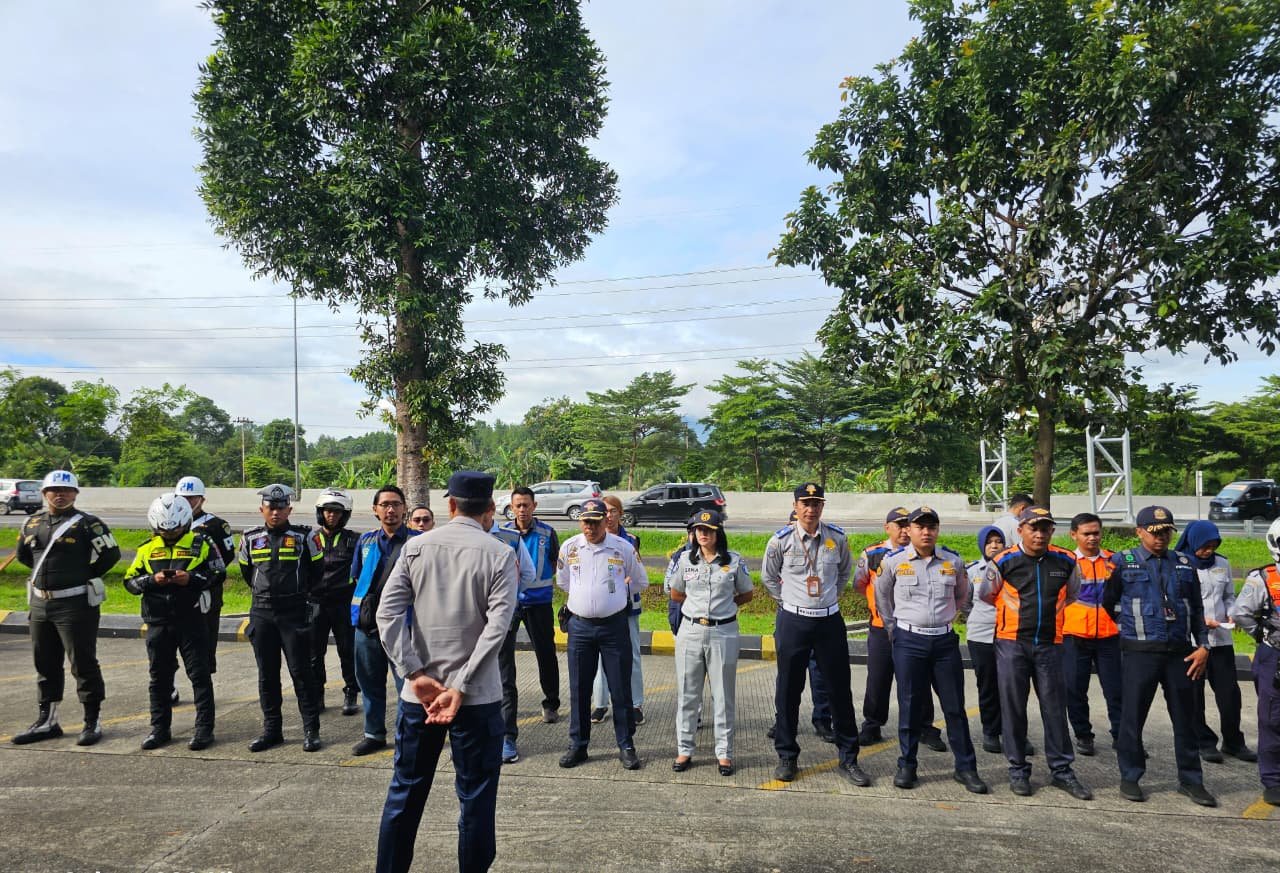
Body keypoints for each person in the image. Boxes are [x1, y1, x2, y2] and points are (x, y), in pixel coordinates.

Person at [373, 471, 517, 873]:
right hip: (476, 698)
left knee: (405, 792)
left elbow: (387, 613)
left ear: (449, 505)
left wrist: (413, 674)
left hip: (419, 697)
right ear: (490, 509)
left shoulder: (417, 547)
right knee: (476, 797)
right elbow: (497, 628)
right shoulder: (499, 553)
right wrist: (462, 685)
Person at [1102, 505, 1215, 807]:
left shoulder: (1184, 563)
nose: (1161, 537)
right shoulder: (1123, 562)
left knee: (1186, 719)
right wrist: (1131, 627)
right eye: (1154, 532)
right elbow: (1109, 602)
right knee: (1132, 718)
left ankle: (1191, 781)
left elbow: (1196, 609)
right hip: (1140, 652)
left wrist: (1203, 645)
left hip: (1180, 652)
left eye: (1166, 532)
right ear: (1139, 532)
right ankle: (1130, 776)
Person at [979, 505, 1092, 800]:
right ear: (1021, 530)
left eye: (1045, 528)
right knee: (1014, 709)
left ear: (1052, 531)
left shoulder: (1066, 560)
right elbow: (987, 595)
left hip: (1050, 645)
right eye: (1034, 528)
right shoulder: (1003, 561)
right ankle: (1018, 769)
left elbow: (1073, 594)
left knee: (1055, 709)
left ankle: (1062, 771)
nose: (1039, 534)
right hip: (1011, 644)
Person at [761, 483, 870, 787]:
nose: (811, 509)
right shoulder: (780, 541)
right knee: (788, 691)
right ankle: (787, 755)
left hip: (829, 622)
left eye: (817, 503)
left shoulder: (837, 538)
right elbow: (769, 578)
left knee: (839, 691)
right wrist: (790, 603)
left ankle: (848, 757)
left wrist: (828, 599)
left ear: (823, 506)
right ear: (795, 506)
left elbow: (845, 573)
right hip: (793, 621)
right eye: (805, 503)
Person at [875, 507, 987, 793]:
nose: (926, 532)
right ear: (909, 530)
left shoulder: (952, 561)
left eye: (931, 527)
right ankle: (907, 764)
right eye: (920, 527)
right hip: (909, 640)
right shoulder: (894, 562)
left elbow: (963, 594)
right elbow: (882, 597)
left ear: (937, 530)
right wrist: (893, 629)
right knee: (910, 705)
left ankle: (966, 768)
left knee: (954, 707)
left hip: (944, 642)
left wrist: (949, 616)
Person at [12, 469, 120, 746]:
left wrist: (84, 574)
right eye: (54, 491)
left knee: (82, 663)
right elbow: (26, 556)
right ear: (44, 493)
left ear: (75, 494)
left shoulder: (87, 524)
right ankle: (47, 720)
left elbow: (111, 554)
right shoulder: (31, 523)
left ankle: (91, 720)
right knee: (44, 663)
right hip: (40, 603)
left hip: (75, 604)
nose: (60, 495)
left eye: (67, 491)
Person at [556, 498, 647, 770]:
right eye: (586, 522)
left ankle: (626, 745)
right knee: (579, 688)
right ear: (580, 522)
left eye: (595, 522)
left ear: (605, 521)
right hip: (580, 626)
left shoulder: (622, 548)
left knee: (620, 688)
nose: (590, 528)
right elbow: (563, 581)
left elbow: (640, 581)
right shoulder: (570, 547)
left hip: (613, 626)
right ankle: (578, 745)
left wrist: (617, 593)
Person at [123, 494, 218, 751]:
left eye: (175, 528)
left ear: (185, 523)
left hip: (191, 620)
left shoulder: (202, 542)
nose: (170, 533)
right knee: (159, 678)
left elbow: (218, 572)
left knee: (199, 676)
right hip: (157, 622)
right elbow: (129, 582)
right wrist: (153, 581)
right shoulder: (146, 549)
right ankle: (159, 729)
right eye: (164, 529)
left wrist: (191, 579)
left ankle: (204, 730)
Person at [239, 483, 325, 753]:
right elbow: (246, 572)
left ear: (290, 509)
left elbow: (317, 571)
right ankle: (272, 730)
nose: (275, 512)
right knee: (267, 675)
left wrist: (300, 596)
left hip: (294, 613)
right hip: (262, 612)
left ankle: (311, 731)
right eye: (270, 507)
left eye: (280, 508)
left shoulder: (306, 536)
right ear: (261, 509)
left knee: (302, 672)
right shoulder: (249, 537)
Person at [667, 510, 754, 775]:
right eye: (698, 530)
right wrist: (697, 610)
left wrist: (725, 607)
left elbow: (747, 593)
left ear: (718, 533)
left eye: (709, 530)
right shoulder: (684, 560)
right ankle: (684, 750)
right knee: (687, 693)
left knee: (723, 695)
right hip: (691, 630)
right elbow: (676, 592)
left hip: (723, 632)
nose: (703, 534)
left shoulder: (733, 561)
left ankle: (724, 753)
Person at [854, 506, 945, 752]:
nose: (905, 530)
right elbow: (860, 584)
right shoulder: (873, 554)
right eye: (899, 525)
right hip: (881, 627)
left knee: (919, 680)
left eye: (908, 525)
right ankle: (872, 724)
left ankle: (925, 726)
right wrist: (878, 607)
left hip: (914, 629)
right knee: (878, 679)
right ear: (887, 528)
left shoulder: (920, 554)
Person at [1174, 520, 1256, 763]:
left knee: (1229, 693)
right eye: (1204, 546)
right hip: (1192, 640)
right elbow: (1176, 602)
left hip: (1221, 639)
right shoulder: (1179, 564)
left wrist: (1232, 612)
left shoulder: (1222, 563)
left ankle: (1233, 741)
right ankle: (1203, 741)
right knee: (1194, 694)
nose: (1208, 551)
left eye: (1212, 546)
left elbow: (1229, 595)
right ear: (1192, 542)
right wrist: (1200, 620)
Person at [350, 485, 421, 756]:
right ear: (375, 510)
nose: (390, 509)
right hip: (367, 625)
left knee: (408, 684)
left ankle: (409, 735)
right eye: (384, 505)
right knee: (369, 682)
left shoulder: (418, 541)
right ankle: (374, 734)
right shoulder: (366, 541)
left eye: (395, 504)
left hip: (406, 625)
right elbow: (358, 580)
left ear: (405, 508)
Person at [499, 486, 562, 732]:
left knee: (545, 654)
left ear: (534, 506)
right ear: (511, 508)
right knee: (504, 657)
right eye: (518, 505)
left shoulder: (548, 532)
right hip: (510, 603)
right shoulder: (502, 534)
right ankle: (504, 704)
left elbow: (556, 564)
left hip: (539, 603)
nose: (522, 509)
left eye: (526, 505)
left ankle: (551, 703)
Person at [1062, 512, 1123, 757]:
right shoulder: (1066, 563)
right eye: (1086, 533)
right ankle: (1083, 735)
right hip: (1075, 635)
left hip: (1110, 635)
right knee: (1075, 689)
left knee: (1117, 689)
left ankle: (1122, 734)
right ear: (1074, 534)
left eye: (1096, 533)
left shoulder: (1113, 561)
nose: (1092, 538)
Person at [1230, 518, 1280, 806]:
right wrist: (1262, 635)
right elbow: (1241, 613)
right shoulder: (1263, 578)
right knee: (1272, 719)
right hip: (1274, 655)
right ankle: (1273, 780)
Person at [481, 506, 535, 764]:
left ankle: (506, 737)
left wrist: (509, 599)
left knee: (504, 678)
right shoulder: (461, 536)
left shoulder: (511, 538)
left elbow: (529, 573)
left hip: (501, 621)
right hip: (468, 622)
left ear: (490, 510)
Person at [174, 476, 235, 687]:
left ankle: (203, 687)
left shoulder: (216, 525)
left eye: (192, 498)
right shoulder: (169, 520)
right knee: (170, 643)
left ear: (202, 499)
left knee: (205, 643)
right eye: (183, 498)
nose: (188, 502)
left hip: (206, 592)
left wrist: (201, 577)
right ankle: (170, 685)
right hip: (174, 594)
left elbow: (226, 557)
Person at [590, 495, 645, 726]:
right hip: (601, 607)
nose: (609, 515)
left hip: (626, 605)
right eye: (605, 511)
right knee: (600, 656)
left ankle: (635, 704)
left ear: (620, 514)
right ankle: (601, 703)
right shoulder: (592, 539)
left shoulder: (630, 540)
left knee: (630, 654)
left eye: (613, 511)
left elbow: (637, 572)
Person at [309, 489, 361, 717]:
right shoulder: (309, 539)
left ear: (344, 514)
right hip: (315, 604)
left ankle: (351, 692)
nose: (332, 515)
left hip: (343, 604)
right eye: (328, 511)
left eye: (337, 512)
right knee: (313, 653)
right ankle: (317, 693)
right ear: (321, 513)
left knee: (348, 651)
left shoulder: (355, 540)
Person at [964, 525, 1007, 754]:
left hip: (1009, 634)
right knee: (988, 685)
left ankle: (1014, 732)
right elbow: (964, 601)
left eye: (998, 541)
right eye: (989, 541)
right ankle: (991, 731)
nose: (994, 545)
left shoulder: (1013, 566)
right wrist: (975, 618)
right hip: (981, 634)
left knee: (1012, 687)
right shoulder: (972, 571)